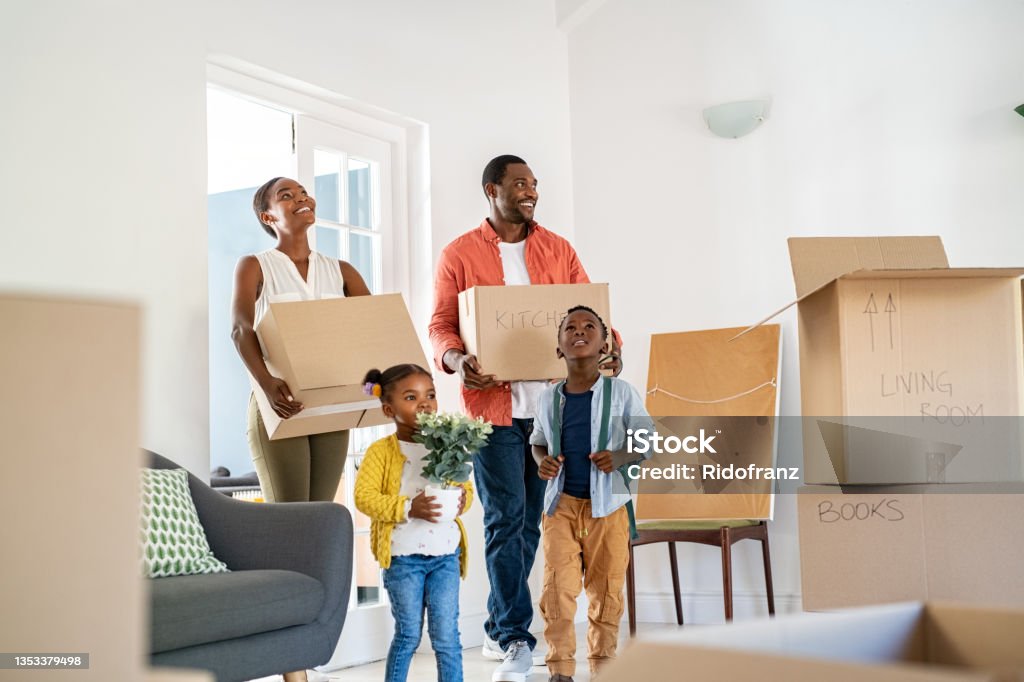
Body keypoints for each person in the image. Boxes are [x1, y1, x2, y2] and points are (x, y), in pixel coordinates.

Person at [427, 155, 622, 682]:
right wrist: (457, 361)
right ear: (492, 190)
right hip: (493, 412)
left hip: (553, 413)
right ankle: (514, 634)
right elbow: (442, 326)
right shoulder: (460, 254)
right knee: (504, 518)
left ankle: (496, 626)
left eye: (534, 183)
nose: (530, 191)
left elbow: (592, 314)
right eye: (519, 184)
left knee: (534, 518)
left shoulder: (558, 248)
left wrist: (613, 346)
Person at [531, 306, 654, 681]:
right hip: (560, 506)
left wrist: (620, 455)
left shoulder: (622, 393)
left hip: (609, 508)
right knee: (557, 589)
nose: (579, 332)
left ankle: (603, 666)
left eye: (589, 327)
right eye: (570, 327)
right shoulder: (548, 398)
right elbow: (537, 441)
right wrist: (543, 461)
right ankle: (561, 669)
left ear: (606, 345)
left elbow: (647, 439)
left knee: (606, 590)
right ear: (559, 347)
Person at [230, 176, 372, 504]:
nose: (302, 198)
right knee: (290, 518)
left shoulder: (342, 271)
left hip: (331, 404)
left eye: (304, 193)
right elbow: (240, 328)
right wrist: (266, 383)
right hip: (279, 401)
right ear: (268, 217)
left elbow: (371, 331)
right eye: (287, 196)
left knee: (320, 515)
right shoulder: (255, 266)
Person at [354, 364, 473, 682]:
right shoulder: (381, 452)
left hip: (445, 558)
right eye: (411, 397)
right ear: (388, 409)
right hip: (403, 560)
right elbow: (364, 498)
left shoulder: (447, 444)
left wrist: (463, 499)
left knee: (447, 637)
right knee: (408, 635)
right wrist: (409, 508)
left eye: (430, 395)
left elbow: (466, 489)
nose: (424, 403)